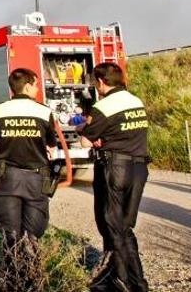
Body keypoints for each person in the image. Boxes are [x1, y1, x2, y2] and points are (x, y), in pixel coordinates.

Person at [78, 63, 150, 292]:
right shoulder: (135, 101)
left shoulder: (104, 106)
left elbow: (85, 141)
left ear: (101, 82)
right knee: (125, 226)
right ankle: (137, 283)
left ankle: (120, 281)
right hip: (139, 169)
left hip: (115, 168)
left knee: (112, 226)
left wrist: (91, 131)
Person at [0, 68, 58, 269]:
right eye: (36, 85)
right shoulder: (44, 112)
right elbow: (51, 144)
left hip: (8, 179)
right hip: (36, 180)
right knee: (33, 234)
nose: (37, 89)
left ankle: (12, 278)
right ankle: (32, 277)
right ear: (27, 86)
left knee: (10, 235)